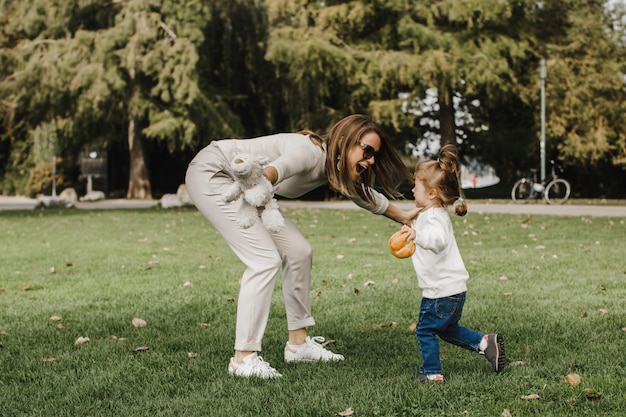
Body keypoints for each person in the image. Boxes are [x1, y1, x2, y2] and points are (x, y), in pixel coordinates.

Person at [185, 114, 420, 379]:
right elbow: (280, 168)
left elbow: (365, 196)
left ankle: (298, 345)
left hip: (250, 186)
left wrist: (404, 217)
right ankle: (243, 358)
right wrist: (267, 175)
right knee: (264, 260)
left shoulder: (332, 167)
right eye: (366, 150)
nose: (371, 160)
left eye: (373, 154)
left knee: (299, 252)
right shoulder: (311, 151)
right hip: (215, 172)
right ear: (344, 141)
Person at [395, 144, 506, 383]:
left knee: (425, 330)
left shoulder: (435, 216)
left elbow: (437, 240)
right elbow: (428, 234)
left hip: (440, 292)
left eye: (416, 185)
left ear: (432, 192)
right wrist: (412, 230)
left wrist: (418, 236)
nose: (413, 189)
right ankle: (486, 344)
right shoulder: (429, 214)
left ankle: (432, 372)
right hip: (451, 290)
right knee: (447, 329)